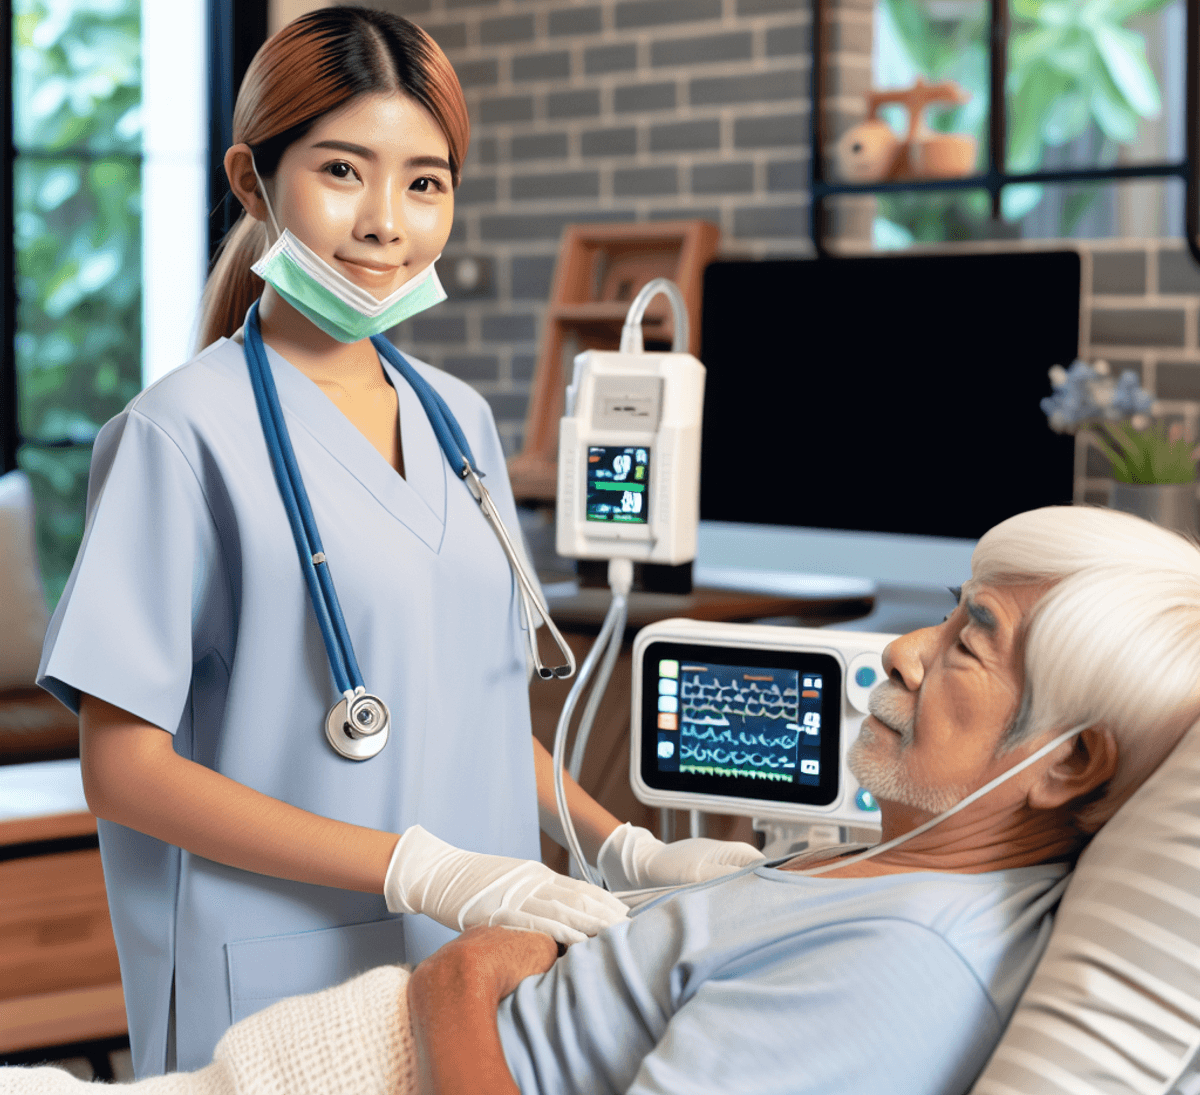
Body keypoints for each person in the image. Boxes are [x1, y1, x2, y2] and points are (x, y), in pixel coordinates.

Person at [34, 6, 758, 1080]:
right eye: (342, 171)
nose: (387, 223)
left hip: (482, 970)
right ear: (252, 180)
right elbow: (125, 770)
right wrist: (415, 868)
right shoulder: (179, 435)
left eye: (426, 183)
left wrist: (620, 844)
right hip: (284, 979)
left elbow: (462, 716)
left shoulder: (459, 423)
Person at [16, 503, 1200, 1094]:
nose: (901, 651)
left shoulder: (904, 964)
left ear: (1070, 764)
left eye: (968, 643)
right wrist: (635, 866)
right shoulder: (885, 878)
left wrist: (462, 974)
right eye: (946, 610)